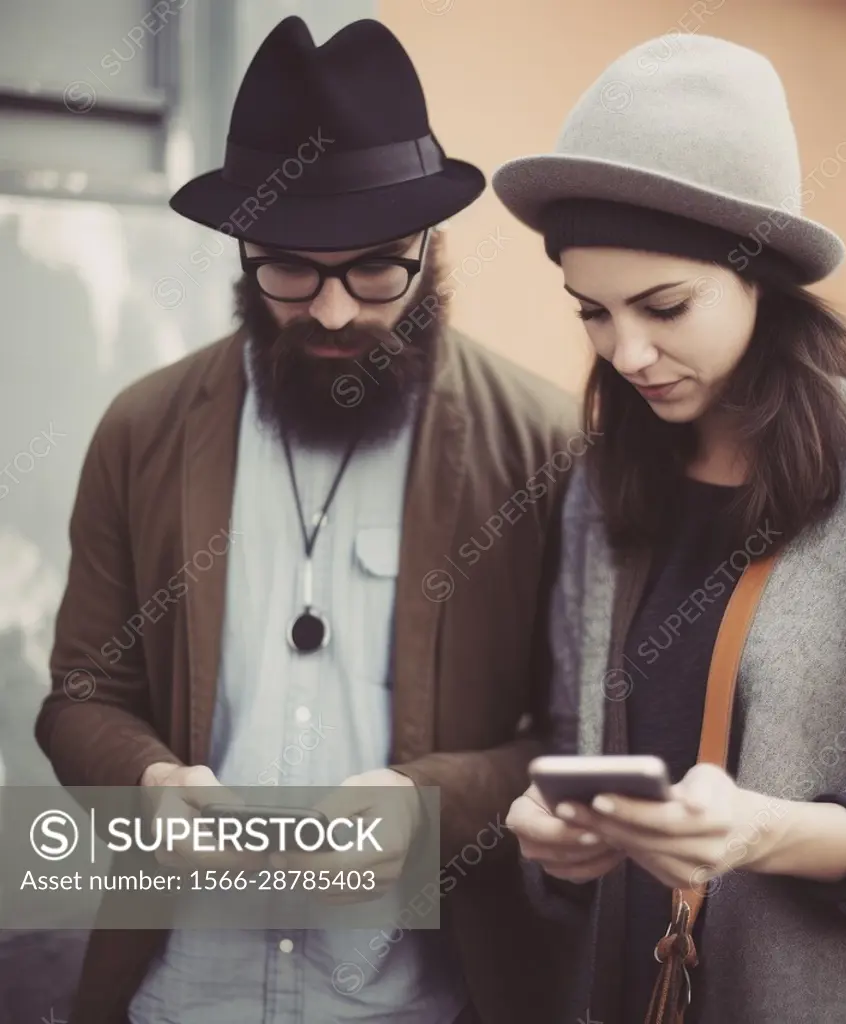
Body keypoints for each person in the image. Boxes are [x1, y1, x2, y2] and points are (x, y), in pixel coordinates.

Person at [37, 17, 579, 1024]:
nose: (333, 312)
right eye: (289, 270)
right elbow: (76, 699)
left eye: (377, 269)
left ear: (432, 246)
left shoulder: (540, 446)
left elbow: (575, 737)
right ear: (243, 250)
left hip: (423, 1001)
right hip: (177, 993)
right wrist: (146, 779)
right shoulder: (142, 428)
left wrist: (430, 808)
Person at [493, 32, 846, 1024]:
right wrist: (550, 844)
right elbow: (578, 745)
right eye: (592, 313)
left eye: (664, 305)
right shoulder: (599, 486)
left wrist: (761, 832)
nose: (629, 351)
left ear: (762, 276)